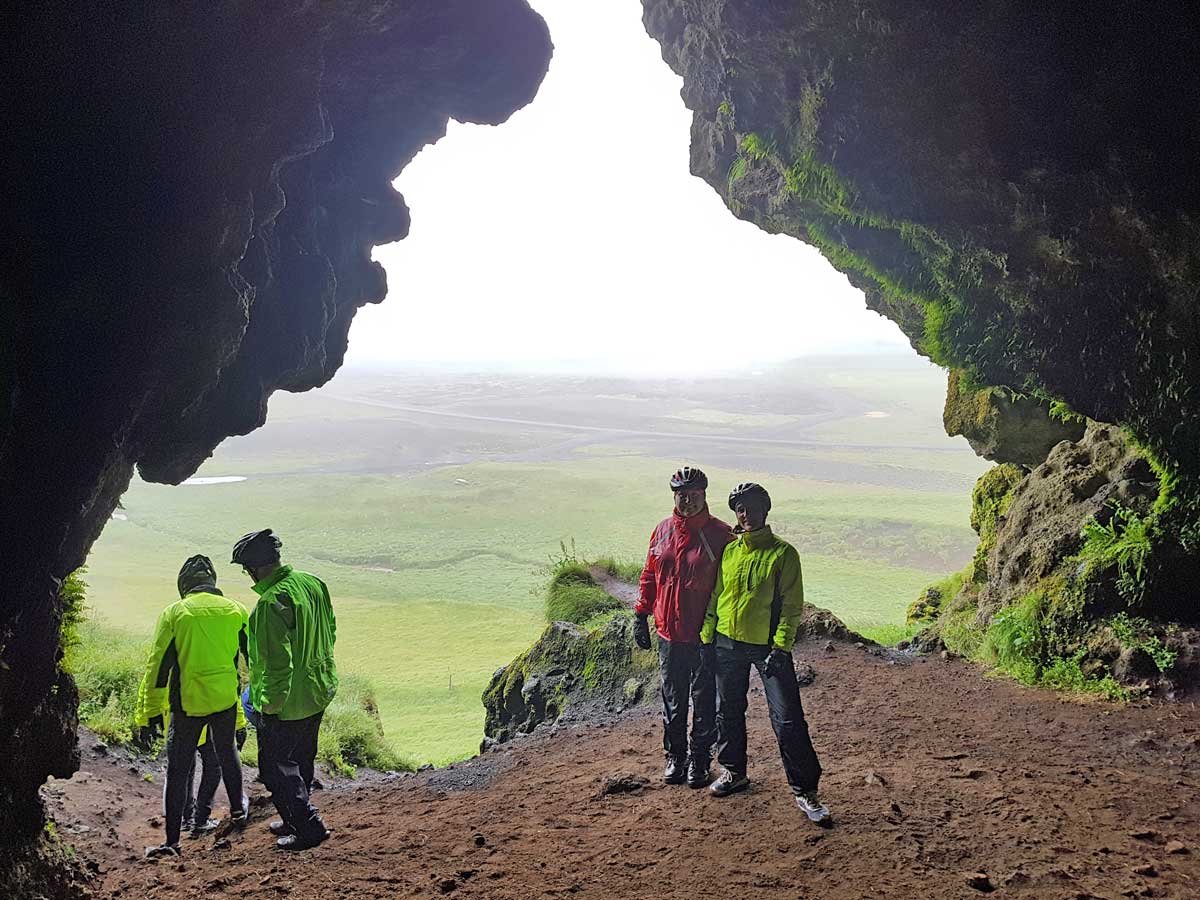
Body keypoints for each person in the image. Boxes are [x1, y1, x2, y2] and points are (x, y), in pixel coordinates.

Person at [701, 482, 831, 825]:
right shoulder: (730, 552)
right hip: (727, 641)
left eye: (753, 507)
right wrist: (707, 637)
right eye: (740, 509)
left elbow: (791, 606)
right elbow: (717, 597)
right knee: (727, 711)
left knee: (787, 718)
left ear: (765, 509)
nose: (746, 514)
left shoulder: (783, 554)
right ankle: (734, 772)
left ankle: (805, 789)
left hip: (767, 647)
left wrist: (781, 647)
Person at [134, 555, 250, 857]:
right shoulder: (236, 610)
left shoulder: (175, 613)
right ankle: (238, 812)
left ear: (183, 585)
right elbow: (249, 664)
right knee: (227, 754)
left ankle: (172, 842)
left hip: (188, 703)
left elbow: (158, 667)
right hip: (225, 701)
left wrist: (149, 712)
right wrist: (243, 718)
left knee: (178, 769)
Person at [233, 528, 338, 851]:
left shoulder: (270, 604)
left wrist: (268, 708)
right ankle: (293, 817)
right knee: (303, 758)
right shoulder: (312, 582)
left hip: (287, 702)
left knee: (275, 769)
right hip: (318, 690)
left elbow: (276, 665)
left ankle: (308, 828)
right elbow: (331, 630)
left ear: (254, 568)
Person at [634, 466, 733, 787]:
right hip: (668, 632)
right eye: (681, 495)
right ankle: (676, 756)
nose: (687, 501)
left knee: (704, 701)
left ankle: (700, 760)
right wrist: (641, 614)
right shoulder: (662, 531)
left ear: (704, 496)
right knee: (673, 699)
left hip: (704, 635)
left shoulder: (721, 535)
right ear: (674, 497)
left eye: (694, 495)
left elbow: (730, 587)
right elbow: (649, 575)